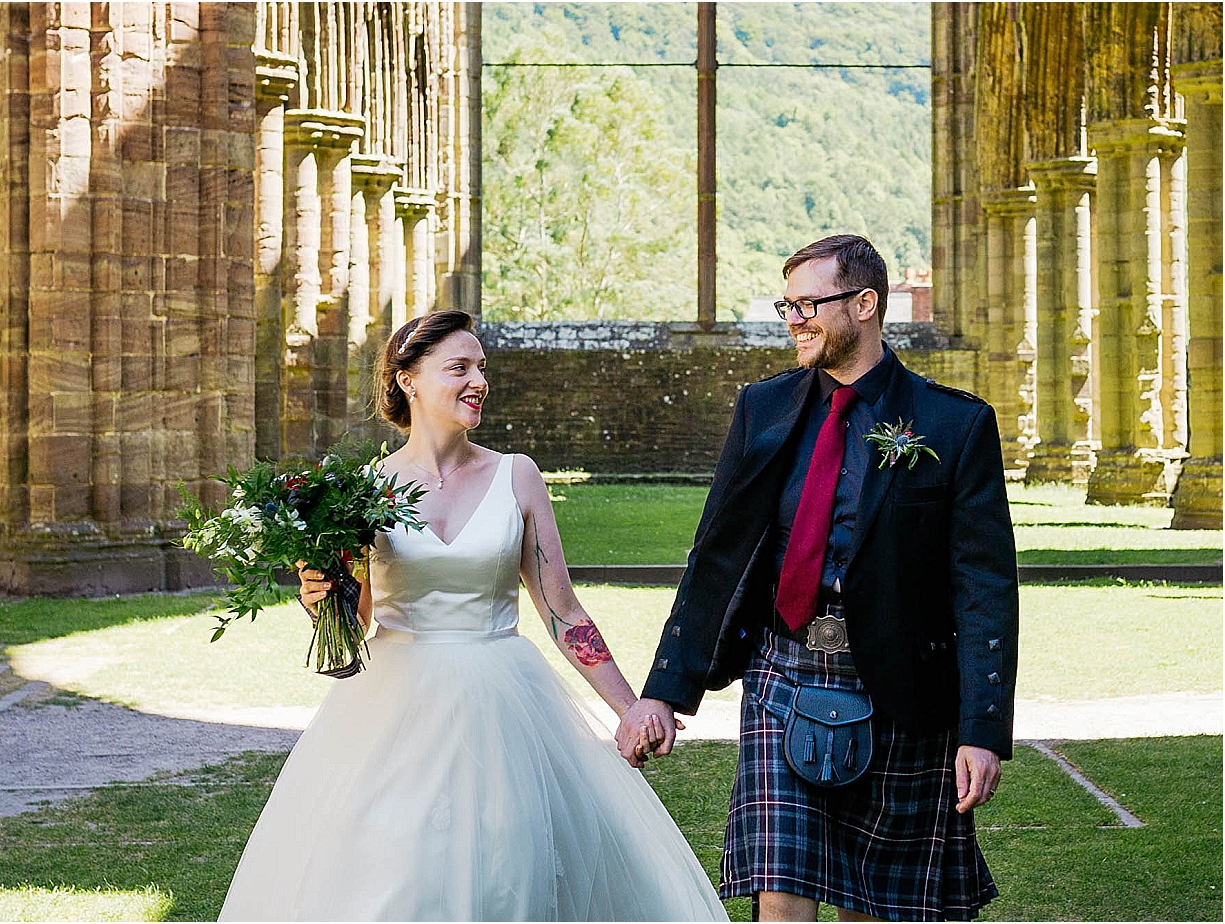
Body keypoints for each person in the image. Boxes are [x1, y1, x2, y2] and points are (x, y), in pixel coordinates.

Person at [218, 310, 727, 921]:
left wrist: (630, 709)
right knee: (392, 872)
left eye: (481, 367)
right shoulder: (364, 489)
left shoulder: (517, 477)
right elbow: (351, 625)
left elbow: (563, 611)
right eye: (458, 367)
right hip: (393, 704)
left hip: (504, 699)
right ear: (408, 379)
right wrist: (317, 596)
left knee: (511, 871)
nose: (478, 380)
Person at [627, 234, 1017, 921]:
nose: (794, 320)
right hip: (784, 674)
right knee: (780, 895)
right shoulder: (764, 409)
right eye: (788, 304)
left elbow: (983, 589)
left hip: (901, 690)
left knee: (875, 908)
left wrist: (980, 729)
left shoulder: (953, 425)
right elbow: (715, 557)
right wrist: (665, 689)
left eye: (809, 304)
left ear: (865, 304)